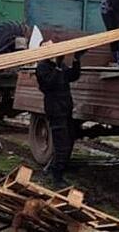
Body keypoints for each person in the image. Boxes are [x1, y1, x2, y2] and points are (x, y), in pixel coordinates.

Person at [35, 40, 85, 188]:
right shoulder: (42, 68)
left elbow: (73, 76)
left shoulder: (60, 66)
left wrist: (76, 60)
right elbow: (49, 84)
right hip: (55, 110)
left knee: (69, 139)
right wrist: (57, 66)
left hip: (65, 108)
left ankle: (57, 167)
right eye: (48, 46)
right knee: (61, 143)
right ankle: (57, 177)